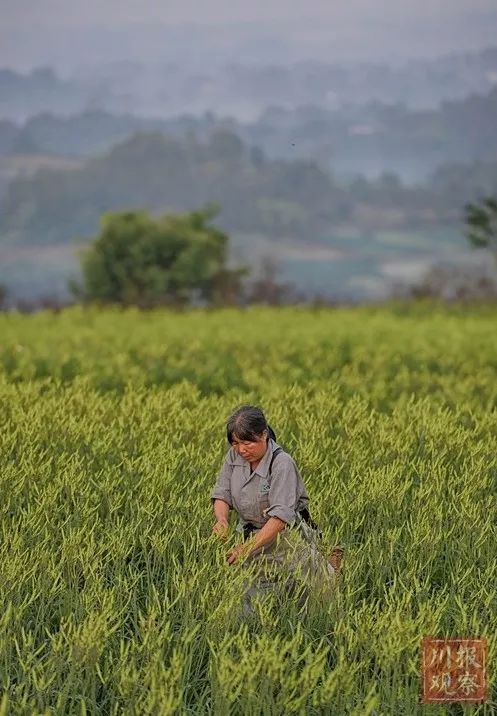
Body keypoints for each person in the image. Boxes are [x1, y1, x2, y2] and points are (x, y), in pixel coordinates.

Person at [210, 404, 342, 619]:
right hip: (252, 539)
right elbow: (222, 494)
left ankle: (332, 568)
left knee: (317, 601)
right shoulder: (234, 458)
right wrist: (222, 520)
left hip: (288, 541)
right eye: (235, 443)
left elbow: (280, 517)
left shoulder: (282, 463)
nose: (241, 450)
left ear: (264, 435)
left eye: (247, 442)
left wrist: (245, 549)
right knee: (244, 608)